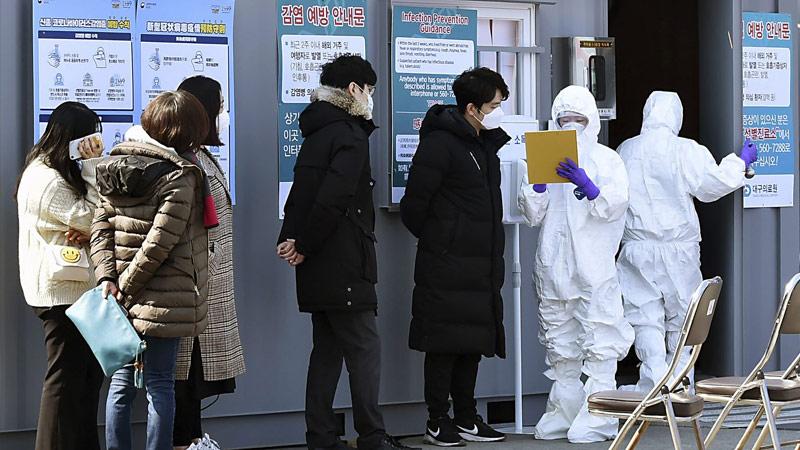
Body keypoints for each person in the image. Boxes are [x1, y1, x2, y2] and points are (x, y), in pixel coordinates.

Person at [276, 55, 417, 450]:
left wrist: (292, 237)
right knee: (364, 350)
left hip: (318, 261)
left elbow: (301, 190)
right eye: (369, 90)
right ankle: (371, 436)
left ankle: (320, 437)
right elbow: (333, 198)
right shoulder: (350, 135)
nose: (371, 97)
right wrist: (302, 243)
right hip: (344, 259)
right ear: (354, 90)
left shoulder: (317, 131)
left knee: (326, 350)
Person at [91, 91, 211, 450]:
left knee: (121, 383)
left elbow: (100, 227)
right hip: (163, 298)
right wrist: (123, 288)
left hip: (120, 297)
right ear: (186, 132)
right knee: (159, 382)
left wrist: (108, 280)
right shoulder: (180, 175)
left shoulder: (116, 164)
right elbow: (160, 243)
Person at [616, 91, 757, 393]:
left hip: (636, 247)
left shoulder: (627, 149)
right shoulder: (685, 149)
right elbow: (711, 185)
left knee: (644, 316)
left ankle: (653, 383)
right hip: (678, 248)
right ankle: (679, 384)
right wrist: (739, 163)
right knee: (683, 317)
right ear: (676, 117)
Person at [517, 85, 634, 443]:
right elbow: (532, 215)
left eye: (578, 120)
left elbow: (616, 205)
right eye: (563, 120)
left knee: (599, 335)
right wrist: (535, 187)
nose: (570, 126)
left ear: (592, 121)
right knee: (559, 339)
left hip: (594, 265)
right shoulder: (542, 157)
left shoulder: (607, 160)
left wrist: (590, 186)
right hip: (553, 266)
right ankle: (564, 409)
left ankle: (599, 413)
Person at [399, 67, 509, 447]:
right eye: (494, 105)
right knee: (443, 344)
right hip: (447, 263)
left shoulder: (483, 145)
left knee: (472, 343)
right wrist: (443, 240)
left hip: (480, 262)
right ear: (472, 107)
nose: (498, 112)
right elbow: (414, 206)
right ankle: (437, 419)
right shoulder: (440, 144)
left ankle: (466, 416)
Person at [16, 101, 105, 450]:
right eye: (89, 137)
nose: (92, 144)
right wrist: (94, 166)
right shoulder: (47, 179)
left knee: (85, 378)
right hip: (60, 293)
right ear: (72, 137)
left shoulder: (49, 169)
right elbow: (95, 216)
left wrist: (88, 228)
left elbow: (89, 222)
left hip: (73, 290)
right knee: (65, 379)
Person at [172, 75, 245, 450]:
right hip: (195, 284)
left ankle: (193, 438)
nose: (223, 114)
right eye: (220, 106)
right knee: (185, 373)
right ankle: (186, 443)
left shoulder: (199, 153)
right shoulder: (185, 159)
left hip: (208, 283)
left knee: (194, 373)